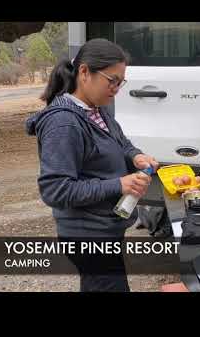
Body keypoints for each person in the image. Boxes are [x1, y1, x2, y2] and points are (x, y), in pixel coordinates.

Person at [26, 38, 159, 292]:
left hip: (105, 230)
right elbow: (56, 190)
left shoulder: (96, 109)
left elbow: (121, 142)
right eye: (112, 81)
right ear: (85, 72)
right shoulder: (63, 124)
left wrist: (135, 157)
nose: (117, 88)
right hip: (86, 235)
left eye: (121, 82)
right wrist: (119, 184)